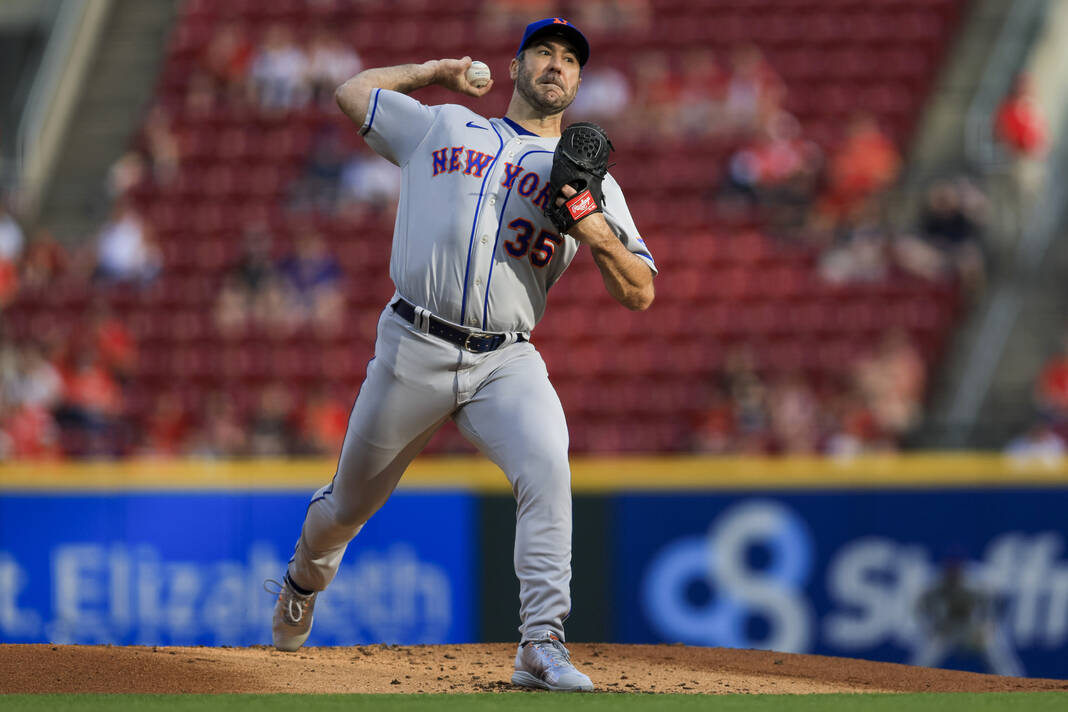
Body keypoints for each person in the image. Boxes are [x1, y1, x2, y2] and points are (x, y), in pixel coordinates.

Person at [267, 17, 656, 693]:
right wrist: (432, 70)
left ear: (580, 80)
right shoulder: (443, 125)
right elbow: (351, 93)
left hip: (505, 359)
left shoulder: (591, 182)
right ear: (515, 66)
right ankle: (303, 579)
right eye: (543, 52)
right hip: (412, 342)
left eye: (569, 58)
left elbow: (641, 291)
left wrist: (594, 229)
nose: (556, 64)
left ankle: (541, 643)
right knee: (347, 506)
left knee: (547, 468)